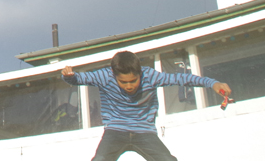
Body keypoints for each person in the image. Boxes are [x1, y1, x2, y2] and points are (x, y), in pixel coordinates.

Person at [61, 50, 231, 161]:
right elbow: (79, 79)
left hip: (144, 131)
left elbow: (182, 79)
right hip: (115, 131)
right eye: (123, 82)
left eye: (133, 81)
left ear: (140, 73)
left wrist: (213, 83)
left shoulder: (151, 76)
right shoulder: (105, 76)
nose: (129, 86)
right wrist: (69, 76)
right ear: (113, 74)